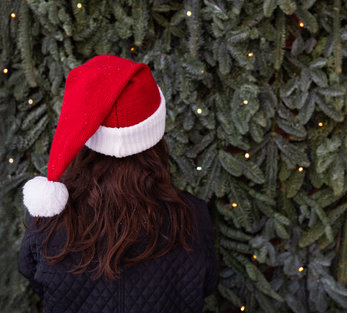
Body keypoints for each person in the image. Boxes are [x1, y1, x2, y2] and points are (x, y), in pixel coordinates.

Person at [18, 55, 219, 313]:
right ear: (155, 137)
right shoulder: (194, 216)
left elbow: (33, 277)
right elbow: (207, 283)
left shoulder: (47, 219)